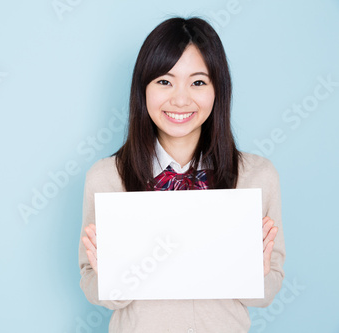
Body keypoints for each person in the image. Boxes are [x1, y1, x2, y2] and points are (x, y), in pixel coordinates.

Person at [78, 17, 285, 332]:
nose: (180, 99)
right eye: (164, 81)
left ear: (218, 89)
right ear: (143, 88)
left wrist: (253, 275)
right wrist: (112, 279)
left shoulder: (257, 177)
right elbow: (93, 288)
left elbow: (267, 293)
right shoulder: (108, 178)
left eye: (198, 82)